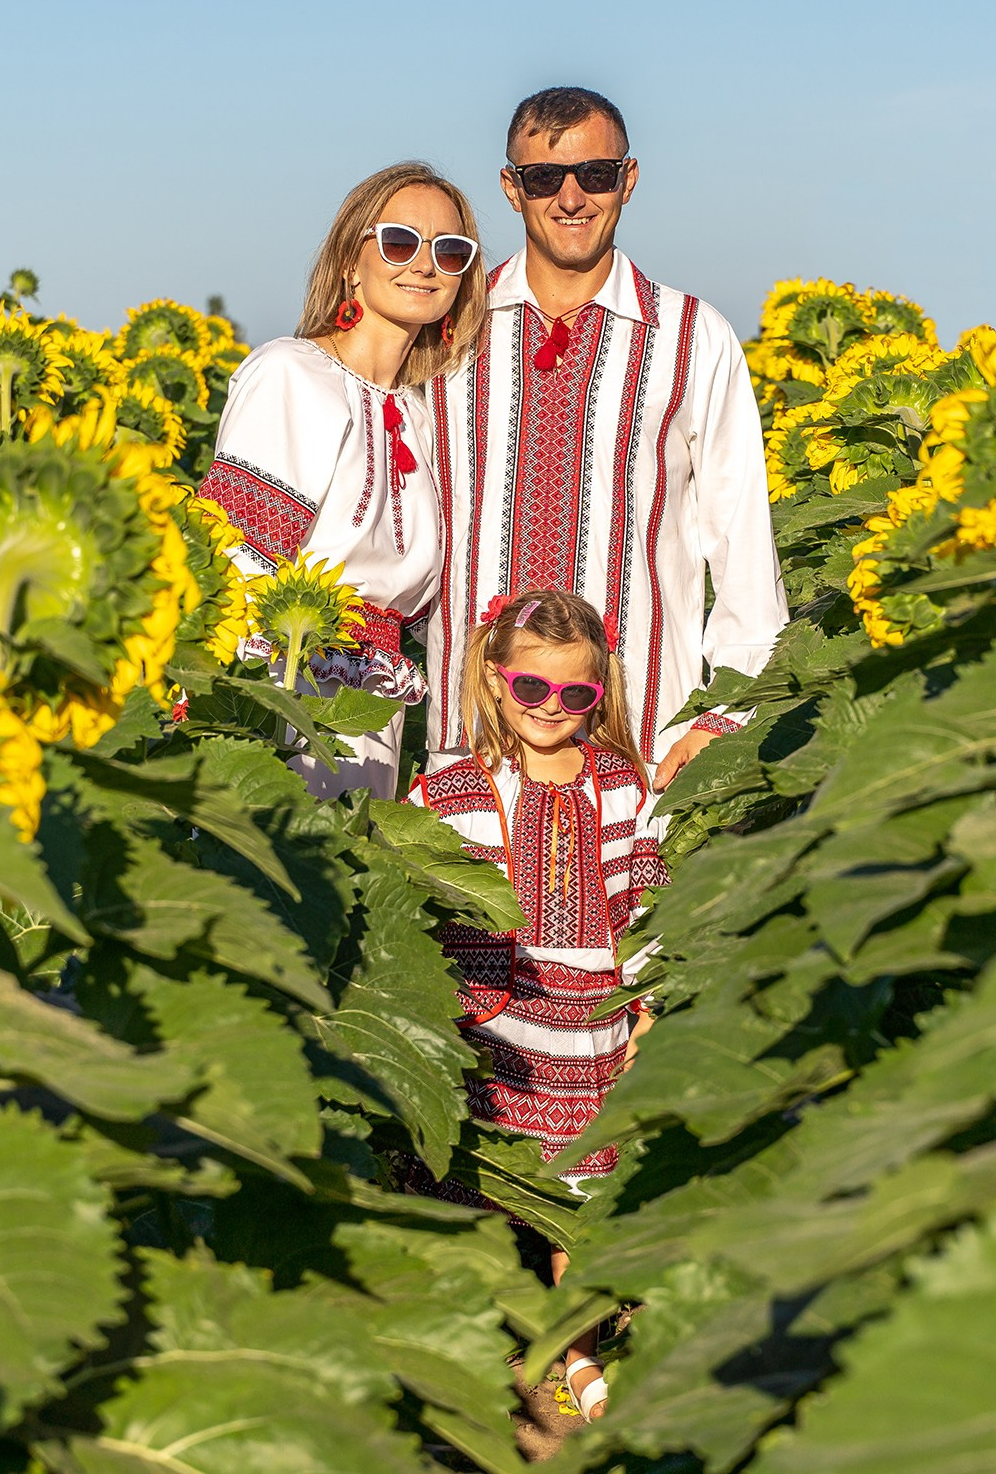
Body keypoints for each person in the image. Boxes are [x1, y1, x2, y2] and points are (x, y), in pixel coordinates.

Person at [424, 86, 788, 788]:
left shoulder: (690, 338)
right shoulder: (449, 335)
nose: (571, 198)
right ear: (511, 187)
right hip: (472, 744)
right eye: (543, 178)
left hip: (643, 746)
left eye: (595, 174)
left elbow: (742, 544)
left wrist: (724, 716)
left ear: (628, 180)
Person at [409, 588, 667, 1423]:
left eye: (576, 695)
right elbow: (417, 907)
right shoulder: (449, 790)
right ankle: (457, 1341)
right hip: (491, 1027)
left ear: (601, 694)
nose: (551, 709)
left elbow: (646, 905)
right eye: (531, 689)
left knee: (575, 1204)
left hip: (589, 1025)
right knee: (477, 1191)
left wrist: (648, 1008)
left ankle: (577, 1350)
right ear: (493, 678)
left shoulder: (623, 789)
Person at [198, 162, 486, 797]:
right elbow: (232, 558)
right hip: (284, 687)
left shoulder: (424, 410)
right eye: (400, 241)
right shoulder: (291, 374)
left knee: (352, 879)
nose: (426, 264)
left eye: (451, 251)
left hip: (376, 702)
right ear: (351, 259)